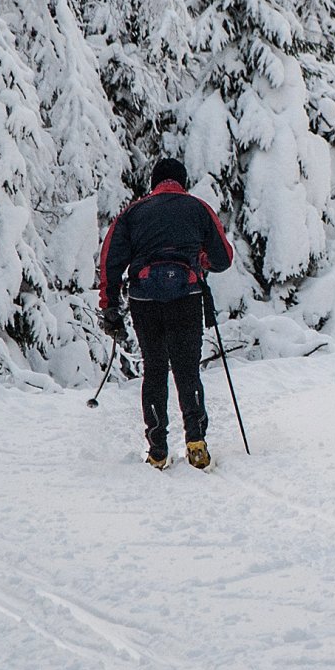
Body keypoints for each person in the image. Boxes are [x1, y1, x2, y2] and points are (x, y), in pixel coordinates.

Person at [98, 157, 234, 470]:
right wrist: (199, 260)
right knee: (187, 370)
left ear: (153, 182)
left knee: (155, 370)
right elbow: (223, 258)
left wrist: (110, 306)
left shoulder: (133, 212)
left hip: (144, 300)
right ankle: (196, 441)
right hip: (186, 297)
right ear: (182, 181)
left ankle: (158, 449)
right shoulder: (198, 208)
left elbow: (110, 262)